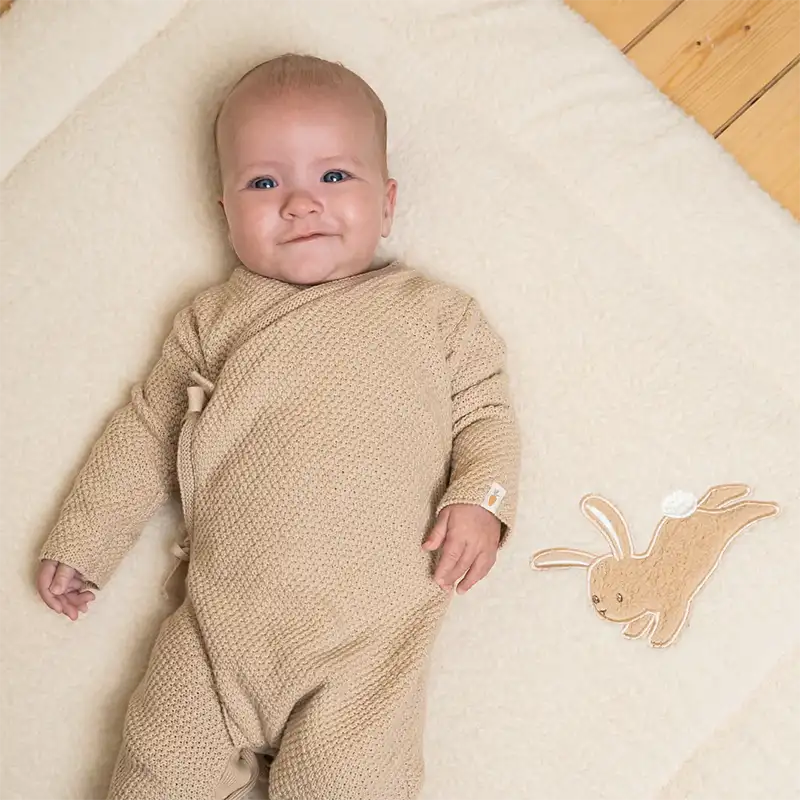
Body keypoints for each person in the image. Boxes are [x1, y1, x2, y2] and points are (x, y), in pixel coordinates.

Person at [35, 53, 520, 800]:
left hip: (367, 649)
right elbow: (144, 428)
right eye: (265, 183)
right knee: (158, 764)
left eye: (334, 177)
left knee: (354, 781)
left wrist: (480, 502)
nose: (300, 203)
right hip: (217, 634)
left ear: (387, 201)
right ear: (225, 210)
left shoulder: (437, 317)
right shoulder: (213, 319)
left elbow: (487, 416)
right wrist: (84, 538)